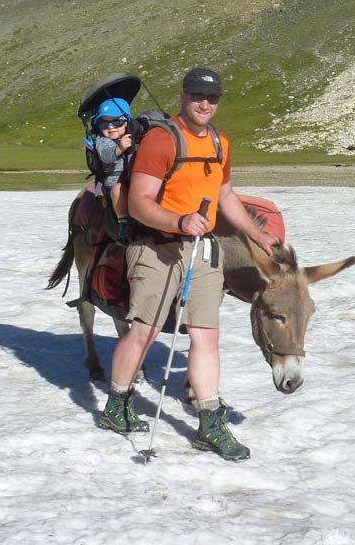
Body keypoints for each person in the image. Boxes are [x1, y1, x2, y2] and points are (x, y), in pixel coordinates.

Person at [99, 67, 280, 462]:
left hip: (202, 251)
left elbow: (226, 196)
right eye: (197, 96)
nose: (204, 104)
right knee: (144, 332)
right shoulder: (162, 142)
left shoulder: (221, 143)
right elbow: (139, 202)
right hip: (157, 247)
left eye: (212, 98)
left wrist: (256, 234)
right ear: (182, 96)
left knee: (206, 336)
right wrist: (178, 221)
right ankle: (118, 403)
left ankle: (209, 423)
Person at [92, 98, 132, 242]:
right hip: (113, 185)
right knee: (118, 190)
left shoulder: (133, 136)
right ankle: (123, 226)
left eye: (117, 122)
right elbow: (106, 155)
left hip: (135, 181)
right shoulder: (102, 141)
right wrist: (119, 148)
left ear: (126, 122)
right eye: (104, 123)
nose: (111, 126)